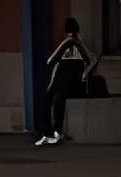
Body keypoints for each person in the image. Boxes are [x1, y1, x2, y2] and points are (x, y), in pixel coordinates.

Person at [35, 15, 96, 144]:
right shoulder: (81, 44)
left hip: (62, 85)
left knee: (49, 98)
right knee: (57, 96)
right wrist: (84, 75)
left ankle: (50, 132)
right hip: (77, 86)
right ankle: (57, 132)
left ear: (66, 30)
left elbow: (50, 61)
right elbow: (91, 61)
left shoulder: (67, 43)